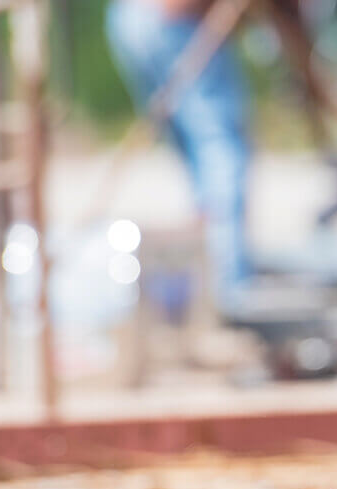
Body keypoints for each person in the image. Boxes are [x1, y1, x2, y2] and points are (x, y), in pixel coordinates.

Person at [106, 0, 254, 317]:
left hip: (132, 16)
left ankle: (206, 277)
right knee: (219, 147)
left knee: (197, 151)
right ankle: (224, 289)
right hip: (173, 16)